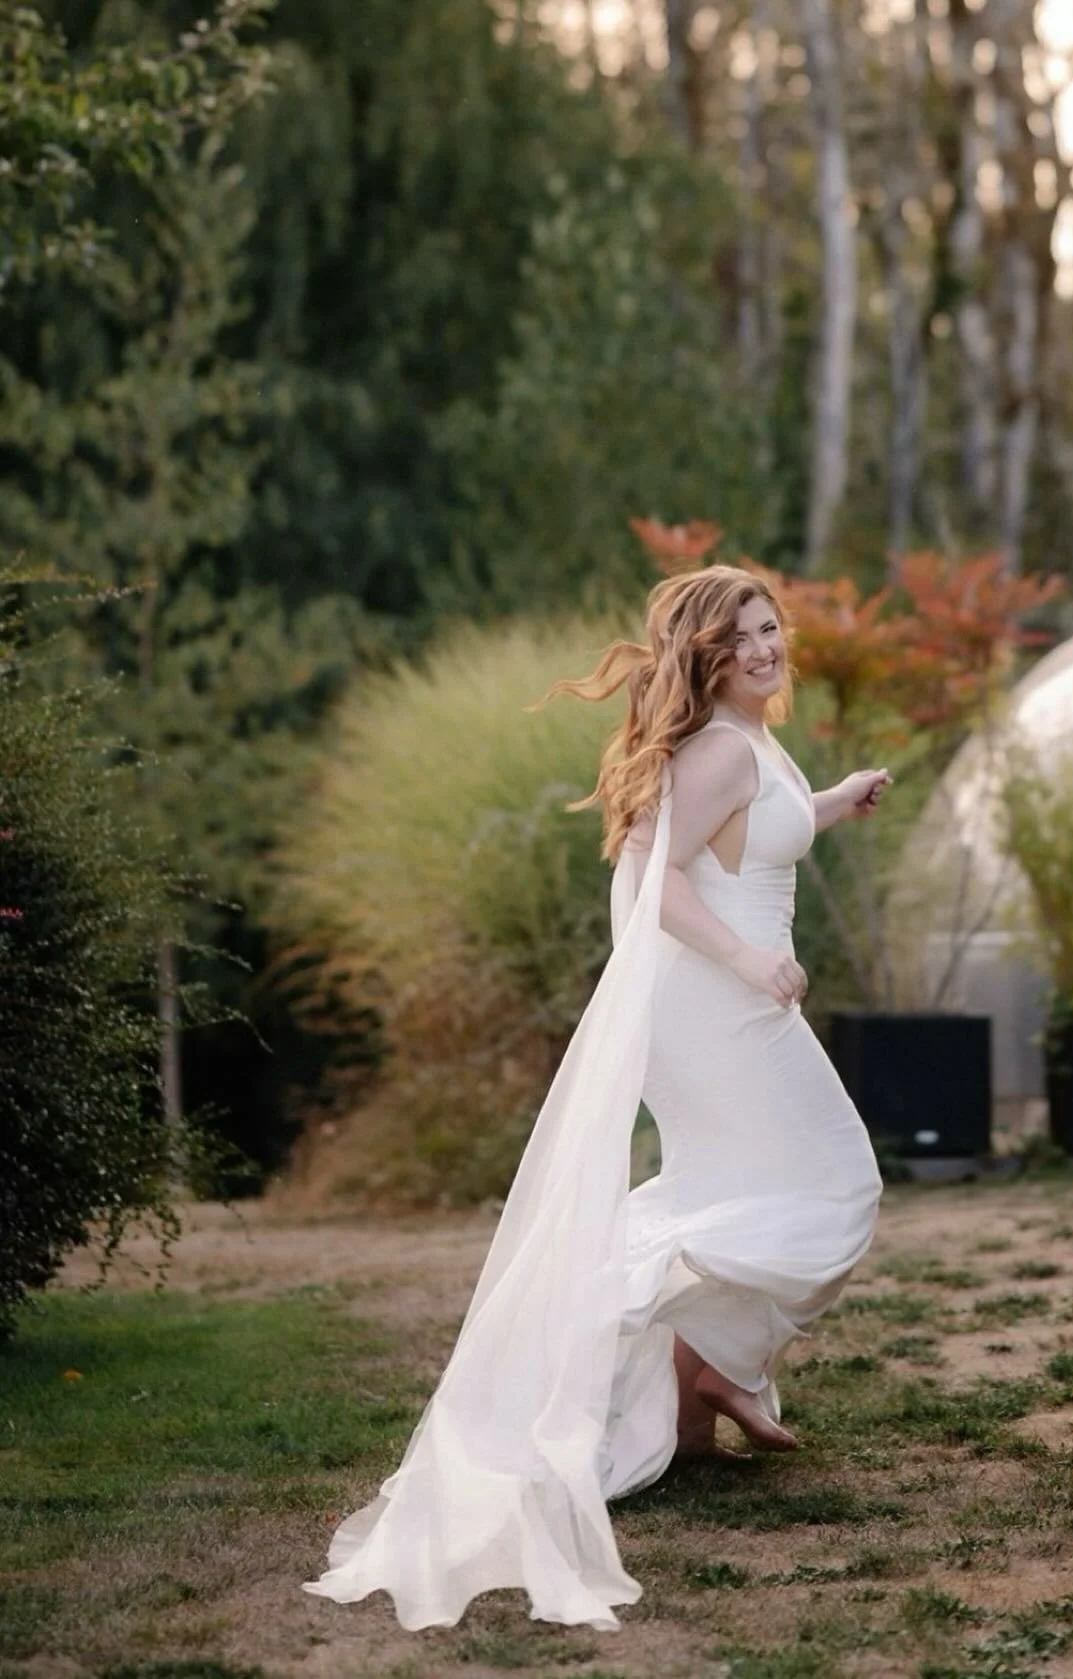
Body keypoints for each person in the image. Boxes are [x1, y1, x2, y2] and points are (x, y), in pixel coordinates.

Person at [303, 565, 887, 1634]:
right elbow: (650, 879)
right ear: (706, 655)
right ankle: (706, 1362)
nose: (766, 647)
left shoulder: (747, 739)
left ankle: (703, 1387)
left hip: (730, 1000)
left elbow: (752, 836)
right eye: (742, 636)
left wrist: (833, 801)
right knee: (837, 1182)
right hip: (718, 1004)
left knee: (747, 1188)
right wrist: (748, 961)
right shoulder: (720, 748)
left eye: (771, 627)